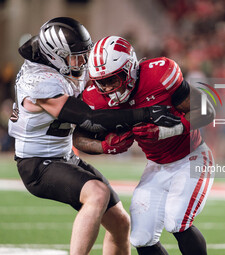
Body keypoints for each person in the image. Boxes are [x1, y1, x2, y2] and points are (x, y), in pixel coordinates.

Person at [8, 18, 181, 255]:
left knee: (121, 224)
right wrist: (146, 113)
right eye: (75, 56)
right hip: (37, 163)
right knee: (97, 193)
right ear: (55, 55)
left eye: (83, 53)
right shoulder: (38, 80)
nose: (82, 61)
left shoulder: (59, 67)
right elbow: (90, 119)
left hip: (64, 156)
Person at [73, 35, 215, 255]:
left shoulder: (159, 75)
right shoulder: (95, 97)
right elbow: (79, 139)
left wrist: (165, 131)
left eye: (114, 79)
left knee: (177, 221)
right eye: (102, 81)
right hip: (156, 165)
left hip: (190, 156)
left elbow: (206, 111)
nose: (108, 88)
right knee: (141, 237)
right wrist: (106, 147)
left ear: (130, 68)